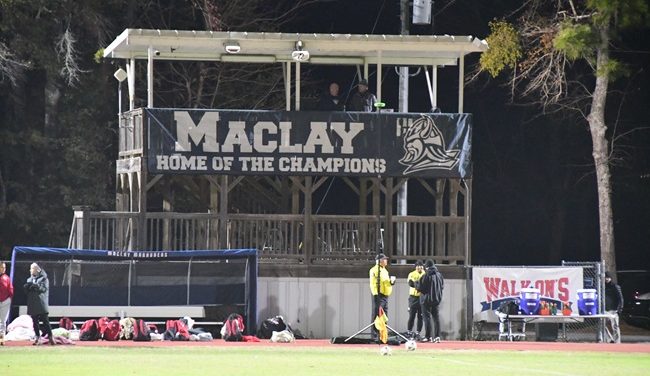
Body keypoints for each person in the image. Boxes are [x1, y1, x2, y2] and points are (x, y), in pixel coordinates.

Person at [24, 263, 54, 345]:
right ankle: (37, 337)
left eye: (32, 268)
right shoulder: (29, 280)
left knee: (45, 321)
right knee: (35, 322)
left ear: (37, 269)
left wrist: (36, 286)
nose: (30, 270)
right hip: (32, 304)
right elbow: (27, 292)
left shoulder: (44, 279)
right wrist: (27, 288)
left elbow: (43, 289)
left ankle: (51, 337)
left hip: (41, 303)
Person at [369, 253, 395, 341]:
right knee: (377, 314)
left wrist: (391, 282)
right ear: (379, 261)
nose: (386, 261)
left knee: (384, 315)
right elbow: (373, 283)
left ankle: (383, 334)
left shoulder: (385, 270)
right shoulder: (374, 270)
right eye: (384, 259)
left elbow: (385, 282)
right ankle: (375, 335)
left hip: (385, 295)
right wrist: (375, 294)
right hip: (378, 295)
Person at [417, 259, 444, 343]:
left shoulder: (426, 275)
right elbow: (442, 286)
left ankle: (428, 336)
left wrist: (414, 284)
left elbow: (421, 288)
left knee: (427, 318)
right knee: (436, 318)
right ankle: (437, 336)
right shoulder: (439, 275)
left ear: (426, 267)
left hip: (426, 300)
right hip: (436, 300)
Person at [406, 260, 425, 339]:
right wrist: (419, 285)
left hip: (421, 297)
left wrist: (416, 283)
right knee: (411, 316)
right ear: (415, 267)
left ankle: (418, 332)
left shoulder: (425, 274)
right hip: (413, 297)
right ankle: (409, 332)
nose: (419, 267)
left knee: (421, 316)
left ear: (423, 266)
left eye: (420, 266)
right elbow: (410, 283)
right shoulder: (412, 274)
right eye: (417, 266)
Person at [604, 271, 623, 343]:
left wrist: (619, 310)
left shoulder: (615, 286)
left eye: (608, 277)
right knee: (602, 326)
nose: (606, 279)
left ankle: (617, 341)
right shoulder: (603, 287)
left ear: (610, 278)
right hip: (605, 310)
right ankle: (609, 340)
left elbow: (621, 299)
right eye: (605, 277)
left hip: (614, 310)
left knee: (615, 326)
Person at [0, 262, 14, 337]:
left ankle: (2, 337)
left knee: (3, 320)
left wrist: (9, 298)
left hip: (5, 301)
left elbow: (10, 289)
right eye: (2, 267)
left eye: (4, 267)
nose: (3, 269)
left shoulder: (6, 278)